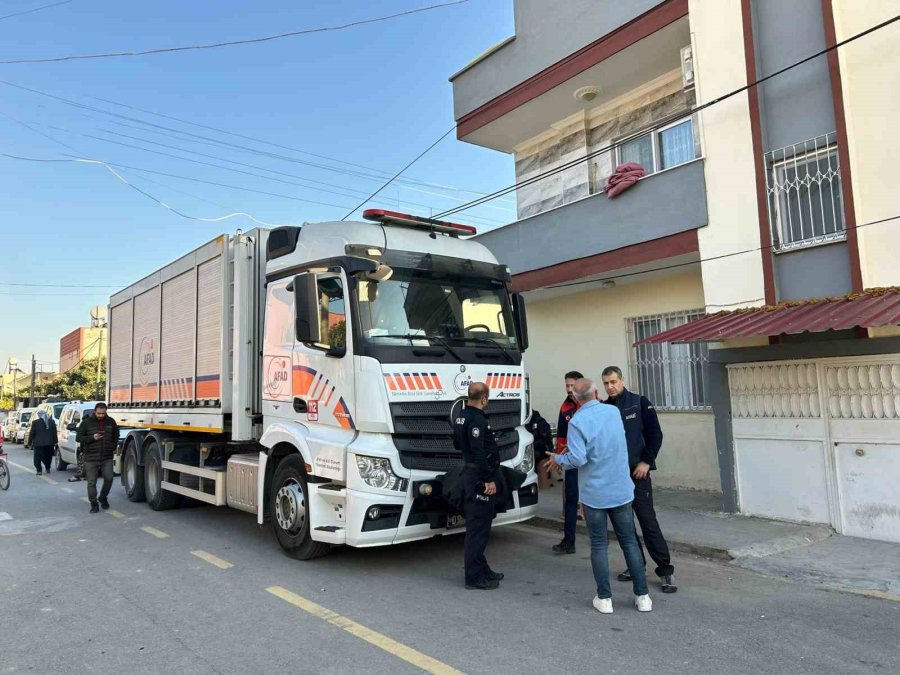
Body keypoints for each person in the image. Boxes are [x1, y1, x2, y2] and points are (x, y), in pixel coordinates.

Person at [547, 379, 652, 614]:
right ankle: (642, 595)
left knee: (599, 544)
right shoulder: (613, 412)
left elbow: (578, 459)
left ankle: (605, 598)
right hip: (621, 489)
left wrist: (558, 459)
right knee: (629, 542)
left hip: (595, 494)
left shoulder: (576, 421)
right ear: (596, 393)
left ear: (574, 398)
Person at [602, 366, 677, 593]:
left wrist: (646, 461)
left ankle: (665, 571)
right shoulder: (604, 409)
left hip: (638, 474)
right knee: (625, 527)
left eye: (613, 381)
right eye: (606, 383)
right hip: (616, 476)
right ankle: (637, 566)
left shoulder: (639, 402)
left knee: (647, 522)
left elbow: (655, 434)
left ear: (622, 380)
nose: (610, 386)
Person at [452, 381, 503, 590]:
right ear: (484, 399)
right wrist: (488, 479)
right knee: (478, 529)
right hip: (478, 477)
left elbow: (457, 443)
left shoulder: (461, 416)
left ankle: (482, 568)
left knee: (480, 527)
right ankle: (473, 577)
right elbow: (479, 452)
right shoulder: (477, 420)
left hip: (470, 473)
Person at [552, 370, 583, 554]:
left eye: (572, 385)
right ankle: (568, 541)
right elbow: (562, 435)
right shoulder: (565, 407)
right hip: (572, 460)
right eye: (567, 385)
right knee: (571, 501)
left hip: (592, 462)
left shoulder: (592, 403)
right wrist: (559, 458)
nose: (569, 389)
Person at [76, 402, 119, 513]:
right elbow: (78, 437)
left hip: (107, 456)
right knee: (91, 482)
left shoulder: (111, 421)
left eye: (103, 413)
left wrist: (112, 447)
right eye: (99, 413)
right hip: (90, 457)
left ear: (106, 412)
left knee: (109, 478)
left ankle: (103, 497)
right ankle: (94, 503)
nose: (101, 415)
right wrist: (92, 437)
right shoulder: (86, 423)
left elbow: (116, 435)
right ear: (95, 411)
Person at [31, 409, 57, 476]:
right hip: (49, 443)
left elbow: (32, 433)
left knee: (37, 458)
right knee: (48, 457)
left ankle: (39, 470)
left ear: (39, 415)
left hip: (38, 444)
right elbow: (54, 433)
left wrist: (30, 442)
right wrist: (55, 442)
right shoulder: (52, 422)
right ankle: (48, 468)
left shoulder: (35, 422)